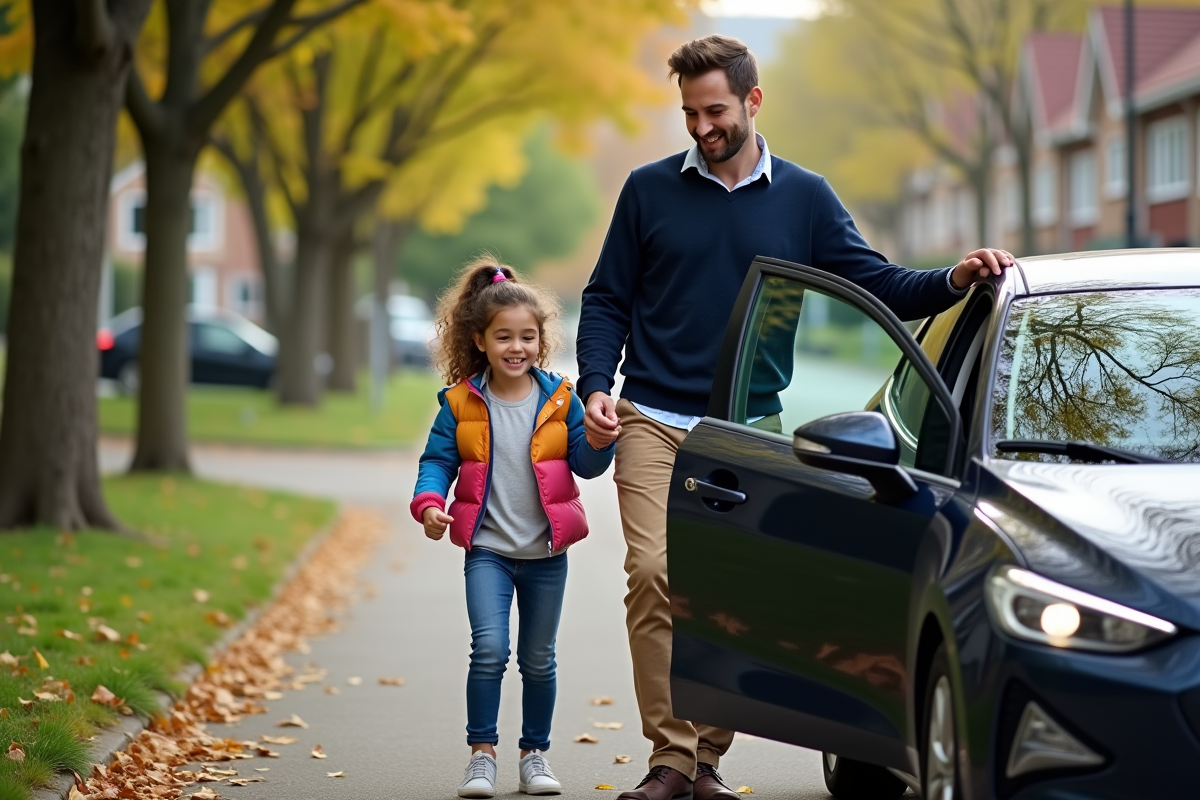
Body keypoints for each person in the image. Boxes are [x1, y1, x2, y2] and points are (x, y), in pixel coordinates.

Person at [575, 35, 1014, 800]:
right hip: (650, 412)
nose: (701, 127)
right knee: (653, 574)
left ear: (752, 101)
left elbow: (877, 281)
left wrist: (953, 277)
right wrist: (593, 385)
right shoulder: (648, 191)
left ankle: (707, 758)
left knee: (726, 593)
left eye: (714, 110)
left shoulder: (804, 197)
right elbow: (607, 296)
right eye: (688, 113)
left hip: (745, 427)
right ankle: (671, 758)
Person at [411, 258, 615, 798]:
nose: (516, 347)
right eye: (504, 337)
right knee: (490, 650)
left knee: (538, 659)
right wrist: (430, 503)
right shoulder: (460, 402)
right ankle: (482, 755)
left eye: (527, 336)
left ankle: (534, 755)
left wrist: (598, 438)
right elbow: (437, 461)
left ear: (541, 341)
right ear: (480, 340)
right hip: (488, 551)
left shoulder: (560, 399)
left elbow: (586, 464)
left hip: (547, 555)